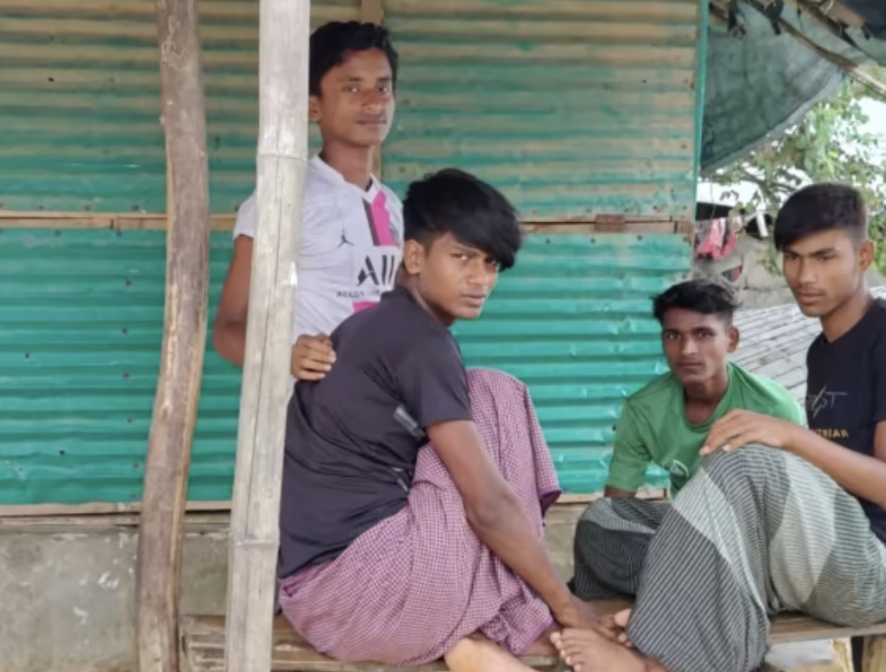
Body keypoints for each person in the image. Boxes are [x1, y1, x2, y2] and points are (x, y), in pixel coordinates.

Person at [554, 183, 886, 672]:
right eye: (792, 257)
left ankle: (653, 660)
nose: (804, 275)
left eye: (825, 257)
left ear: (864, 255)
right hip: (802, 558)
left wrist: (789, 437)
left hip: (877, 570)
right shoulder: (823, 349)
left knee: (741, 459)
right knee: (604, 521)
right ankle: (675, 610)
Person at [277, 168, 602, 672]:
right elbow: (489, 507)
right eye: (463, 257)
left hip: (318, 599)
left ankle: (475, 637)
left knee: (477, 409)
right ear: (413, 256)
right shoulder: (420, 341)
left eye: (491, 263)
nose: (481, 279)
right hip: (364, 597)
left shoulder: (372, 325)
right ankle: (524, 616)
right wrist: (568, 606)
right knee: (494, 397)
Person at [570, 279, 805, 602]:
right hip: (688, 534)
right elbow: (616, 507)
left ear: (731, 340)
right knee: (597, 522)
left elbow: (797, 513)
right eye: (673, 336)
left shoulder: (772, 408)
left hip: (757, 543)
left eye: (703, 335)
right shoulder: (644, 410)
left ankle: (688, 594)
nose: (687, 350)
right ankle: (705, 593)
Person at [213, 21, 403, 380]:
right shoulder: (283, 200)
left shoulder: (392, 207)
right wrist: (285, 356)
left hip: (383, 414)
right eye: (352, 87)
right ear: (313, 106)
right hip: (311, 420)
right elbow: (228, 329)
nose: (373, 101)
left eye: (383, 87)